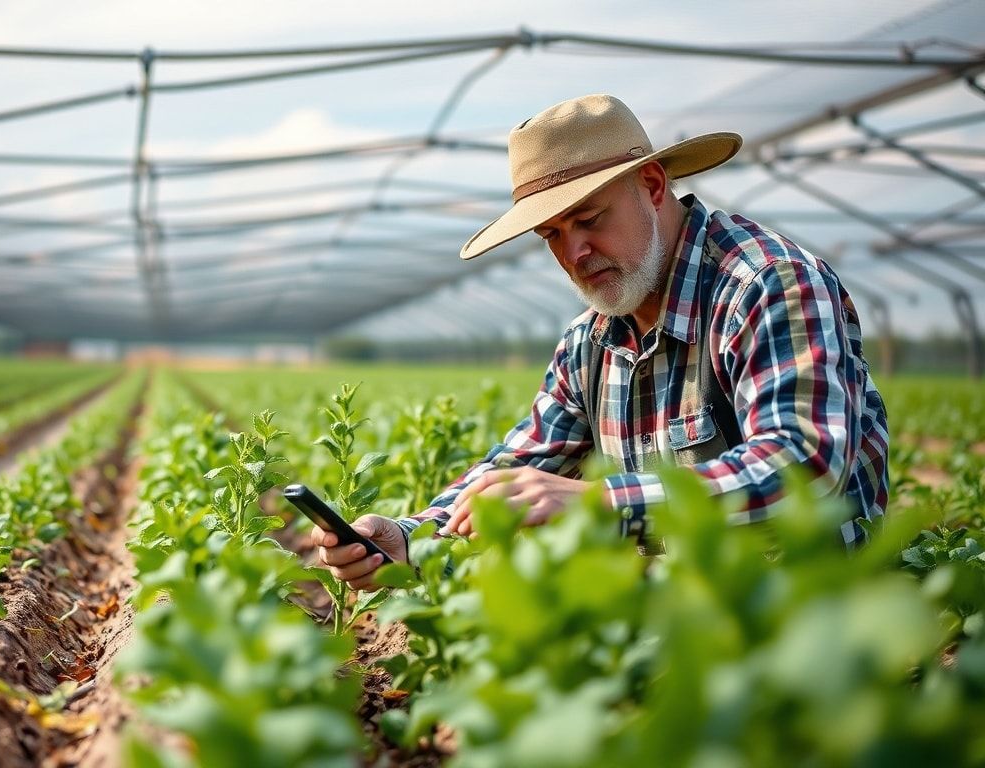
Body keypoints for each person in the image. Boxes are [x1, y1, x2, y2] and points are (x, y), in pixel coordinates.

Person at [313, 94, 890, 589]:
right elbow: (522, 463)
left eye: (589, 218)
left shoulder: (766, 286)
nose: (574, 253)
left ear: (653, 184)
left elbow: (805, 467)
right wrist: (410, 536)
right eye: (553, 235)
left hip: (808, 630)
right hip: (675, 628)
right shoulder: (590, 339)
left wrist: (598, 502)